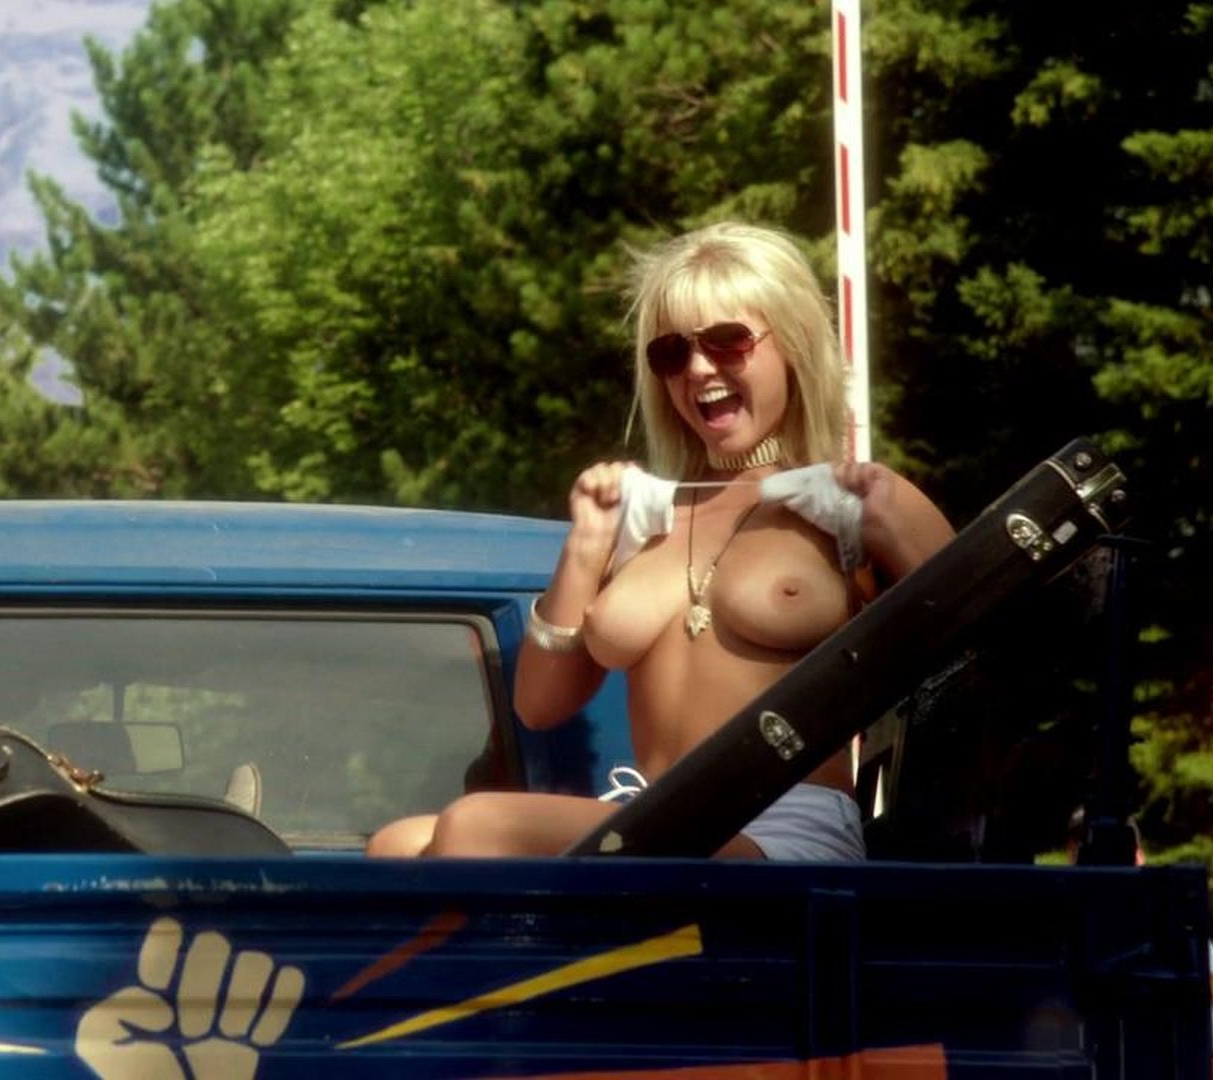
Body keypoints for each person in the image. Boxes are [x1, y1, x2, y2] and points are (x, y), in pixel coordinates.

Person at [369, 221, 954, 859]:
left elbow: (990, 641)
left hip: (784, 830)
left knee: (477, 827)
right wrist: (587, 544)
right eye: (672, 352)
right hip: (658, 821)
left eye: (728, 341)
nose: (699, 368)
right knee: (397, 847)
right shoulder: (644, 518)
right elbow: (537, 706)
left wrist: (887, 522)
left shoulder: (854, 500)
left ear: (793, 344)